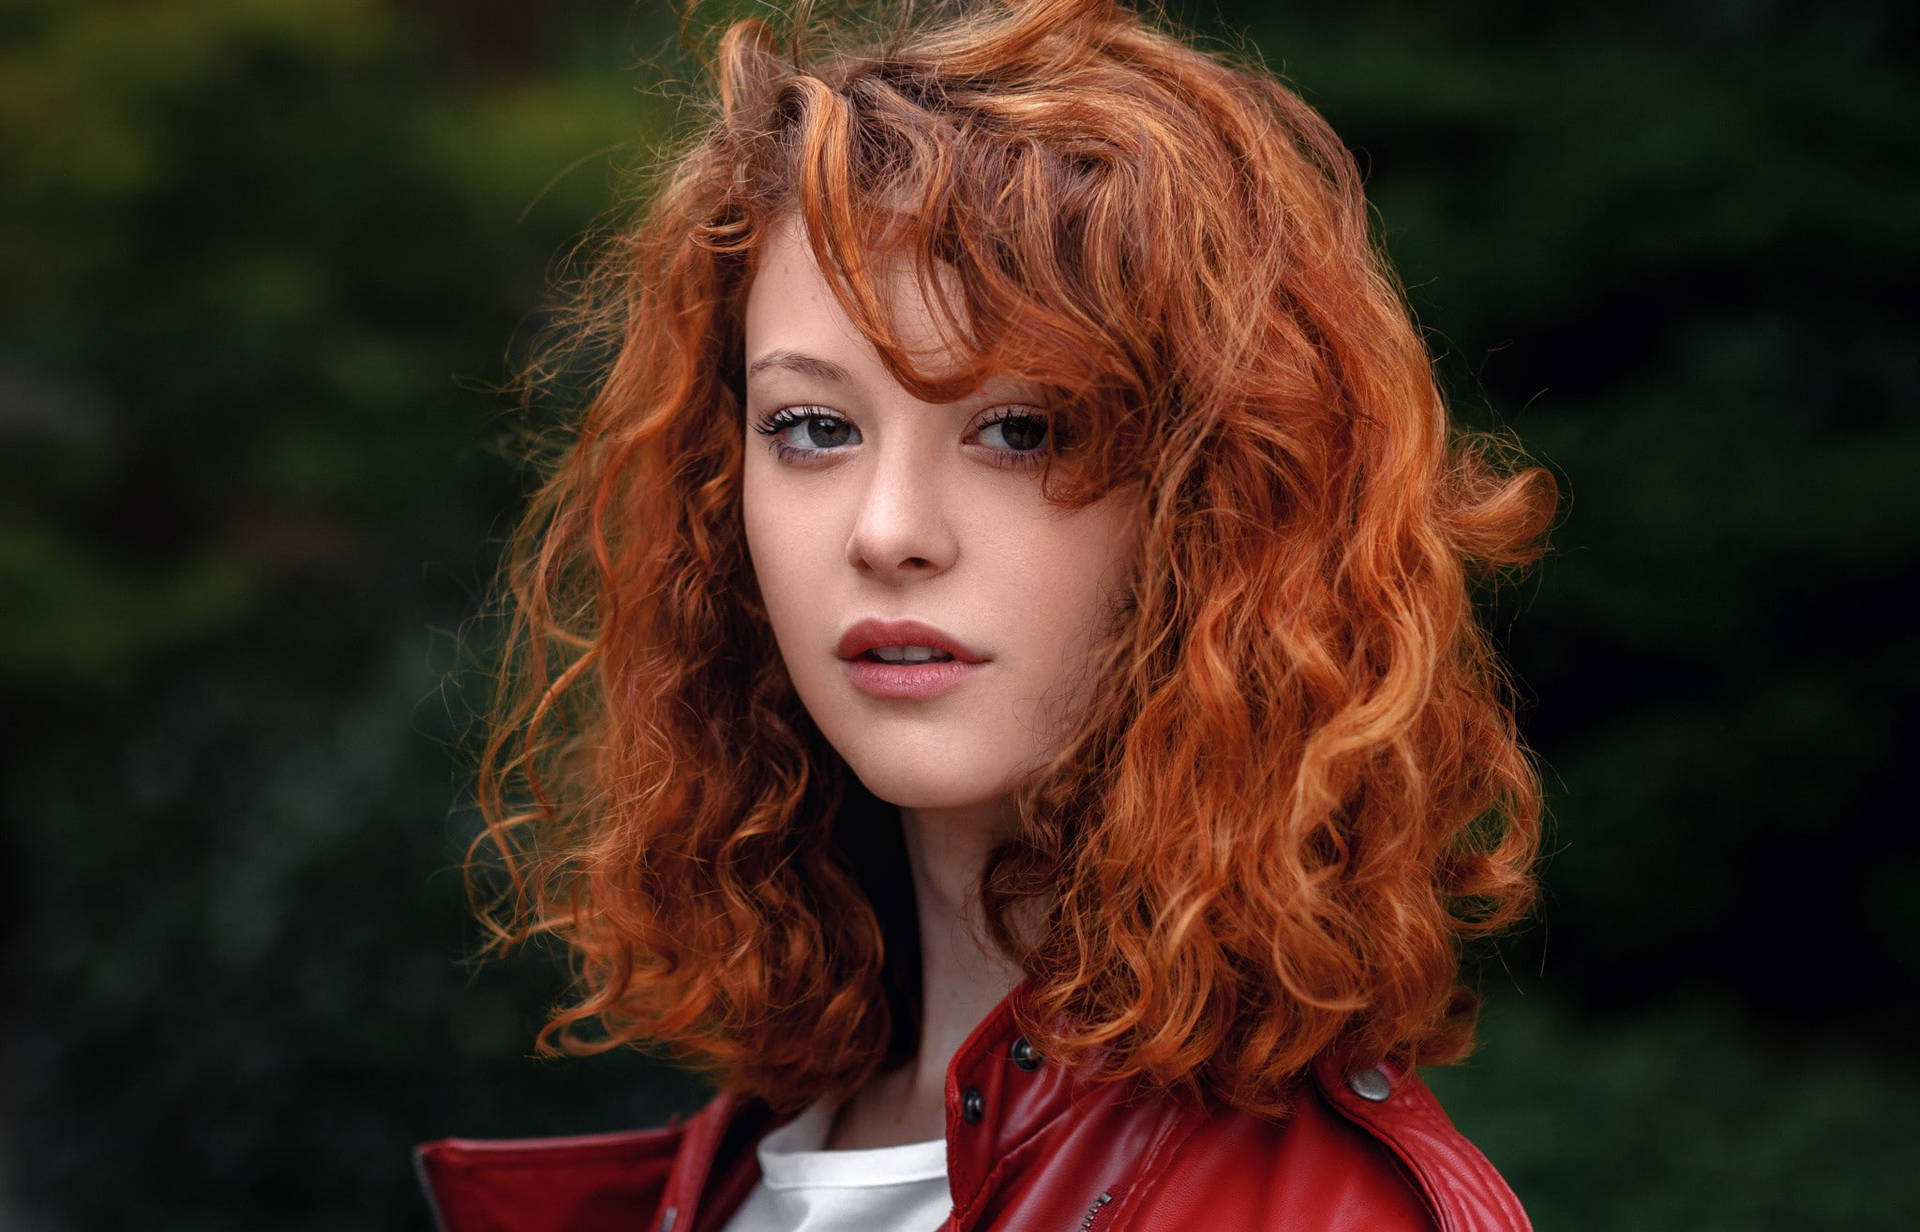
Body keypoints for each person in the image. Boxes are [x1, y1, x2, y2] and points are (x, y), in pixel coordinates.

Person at [416, 1, 1557, 1228]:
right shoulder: (735, 1177)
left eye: (1020, 431)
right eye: (814, 427)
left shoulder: (1314, 1208)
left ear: (1224, 503)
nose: (888, 528)